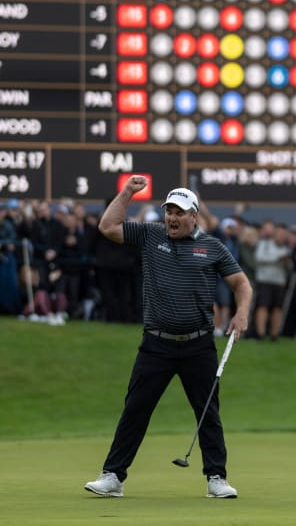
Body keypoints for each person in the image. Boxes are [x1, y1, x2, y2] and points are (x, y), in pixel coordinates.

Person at [84, 179, 252, 500]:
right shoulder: (151, 235)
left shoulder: (212, 247)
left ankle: (216, 477)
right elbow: (107, 226)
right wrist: (128, 193)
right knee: (135, 409)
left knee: (207, 413)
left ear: (194, 216)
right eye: (169, 211)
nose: (172, 218)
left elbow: (242, 284)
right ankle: (113, 476)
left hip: (198, 344)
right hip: (157, 344)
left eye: (180, 212)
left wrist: (241, 313)